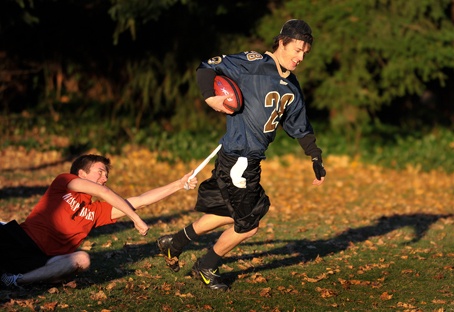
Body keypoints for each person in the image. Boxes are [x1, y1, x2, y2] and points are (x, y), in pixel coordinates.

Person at [157, 19, 326, 291]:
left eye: (305, 52)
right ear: (281, 41)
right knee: (248, 225)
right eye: (296, 49)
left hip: (248, 160)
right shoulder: (253, 62)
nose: (300, 57)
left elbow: (300, 126)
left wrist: (315, 156)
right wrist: (209, 97)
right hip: (238, 160)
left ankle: (173, 243)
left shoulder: (292, 85)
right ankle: (207, 265)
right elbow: (207, 66)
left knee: (229, 212)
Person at [0, 154, 198, 287]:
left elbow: (140, 201)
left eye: (107, 174)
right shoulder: (64, 182)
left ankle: (16, 280)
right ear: (81, 174)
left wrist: (179, 185)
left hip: (45, 260)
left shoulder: (96, 212)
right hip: (20, 239)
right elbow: (102, 191)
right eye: (100, 172)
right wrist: (135, 219)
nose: (105, 178)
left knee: (82, 259)